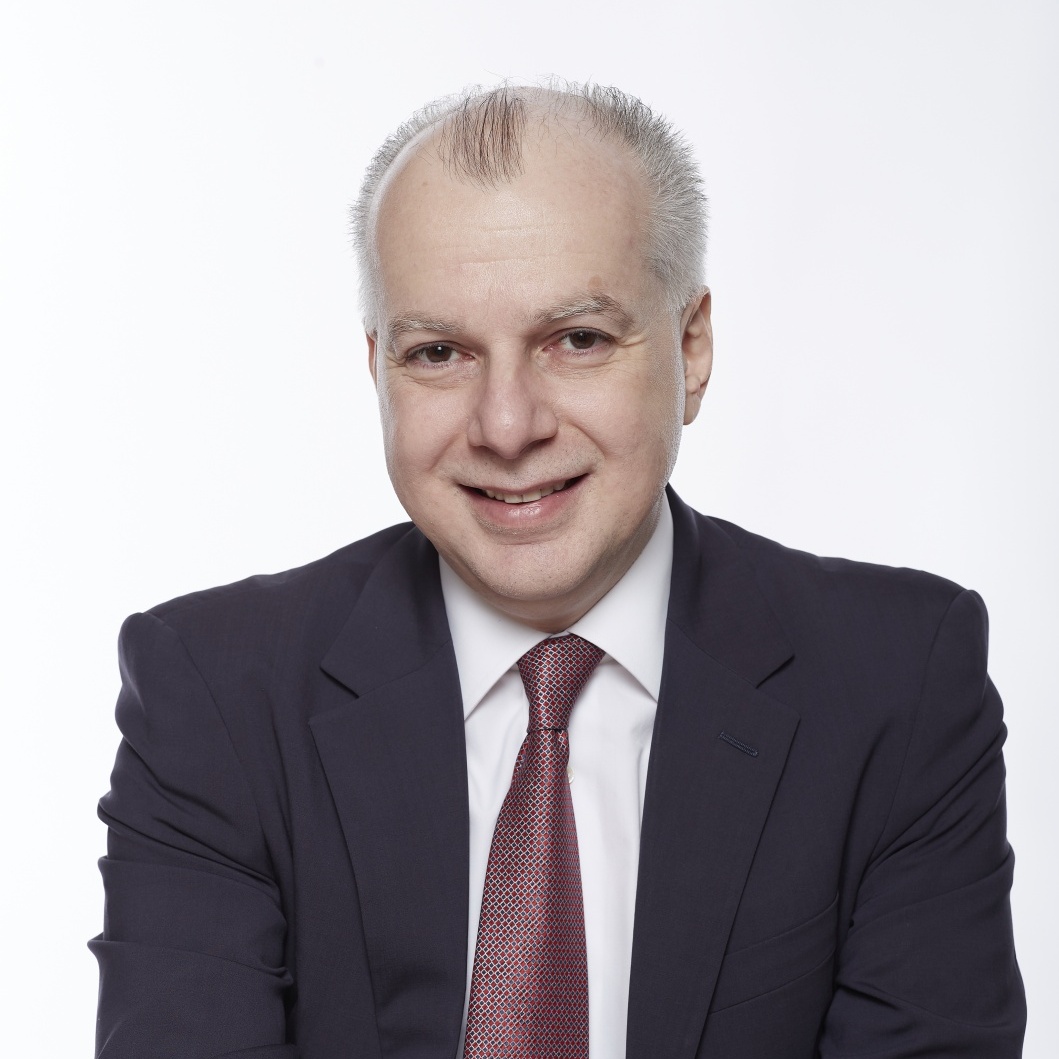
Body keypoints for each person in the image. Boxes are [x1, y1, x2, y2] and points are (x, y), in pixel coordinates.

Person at [91, 83, 1026, 1058]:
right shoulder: (216, 696)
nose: (506, 426)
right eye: (439, 352)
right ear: (377, 369)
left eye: (577, 340)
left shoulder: (896, 682)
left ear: (692, 348)